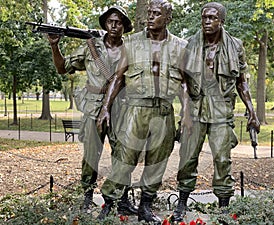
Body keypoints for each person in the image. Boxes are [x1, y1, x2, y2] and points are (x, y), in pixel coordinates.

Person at [96, 0, 192, 223]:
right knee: (124, 157)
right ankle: (109, 203)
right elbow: (117, 79)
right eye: (149, 13)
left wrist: (186, 114)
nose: (150, 17)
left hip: (164, 110)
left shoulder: (180, 46)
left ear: (168, 18)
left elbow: (185, 84)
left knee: (157, 160)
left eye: (156, 14)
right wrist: (105, 109)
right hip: (136, 108)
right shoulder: (131, 43)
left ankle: (145, 207)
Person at [172, 2, 260, 223]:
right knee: (187, 158)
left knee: (222, 159)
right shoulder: (190, 44)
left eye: (212, 18)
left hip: (221, 111)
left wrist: (252, 111)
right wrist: (185, 112)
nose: (207, 22)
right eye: (204, 18)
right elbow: (182, 81)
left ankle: (223, 208)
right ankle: (181, 203)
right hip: (195, 109)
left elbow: (242, 83)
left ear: (221, 20)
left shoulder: (236, 46)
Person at [47, 6, 138, 215]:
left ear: (124, 26)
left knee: (123, 155)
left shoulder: (131, 50)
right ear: (105, 24)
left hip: (121, 109)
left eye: (119, 22)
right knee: (90, 155)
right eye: (110, 21)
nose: (114, 25)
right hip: (93, 109)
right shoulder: (91, 47)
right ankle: (87, 197)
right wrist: (54, 46)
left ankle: (122, 199)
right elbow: (62, 68)